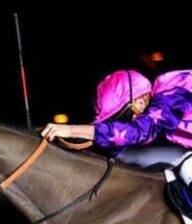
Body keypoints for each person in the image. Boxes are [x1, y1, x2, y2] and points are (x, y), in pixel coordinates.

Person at [41, 69, 192, 188]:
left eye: (123, 118)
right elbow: (117, 146)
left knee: (187, 170)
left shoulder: (173, 90)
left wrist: (71, 130)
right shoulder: (165, 95)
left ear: (138, 102)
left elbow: (138, 132)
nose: (123, 125)